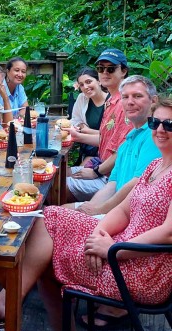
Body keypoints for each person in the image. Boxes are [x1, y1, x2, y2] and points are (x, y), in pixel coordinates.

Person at [0, 96, 172, 331]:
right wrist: (99, 234)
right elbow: (125, 211)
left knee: (48, 261)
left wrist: (110, 249)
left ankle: (30, 321)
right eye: (155, 122)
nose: (160, 130)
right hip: (120, 246)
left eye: (169, 125)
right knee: (47, 216)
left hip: (143, 268)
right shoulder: (155, 166)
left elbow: (168, 233)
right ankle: (15, 310)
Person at [70, 75, 160, 217]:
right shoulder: (129, 138)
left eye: (137, 96)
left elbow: (137, 184)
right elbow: (113, 184)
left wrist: (98, 211)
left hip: (129, 217)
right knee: (56, 212)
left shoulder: (155, 135)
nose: (130, 102)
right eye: (125, 97)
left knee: (47, 219)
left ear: (153, 101)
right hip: (113, 209)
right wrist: (91, 211)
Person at [66, 48, 133, 202]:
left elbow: (122, 149)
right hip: (102, 166)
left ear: (123, 71)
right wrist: (79, 136)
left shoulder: (125, 103)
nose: (105, 72)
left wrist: (96, 171)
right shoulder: (110, 101)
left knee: (56, 184)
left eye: (110, 69)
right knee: (56, 174)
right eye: (101, 69)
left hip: (111, 178)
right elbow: (107, 139)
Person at [67, 67, 109, 165]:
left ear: (99, 81)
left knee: (72, 176)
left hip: (107, 153)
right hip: (90, 150)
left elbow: (111, 136)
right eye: (81, 85)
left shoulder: (112, 102)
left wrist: (87, 130)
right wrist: (82, 126)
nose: (85, 87)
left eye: (89, 82)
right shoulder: (82, 98)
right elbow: (75, 119)